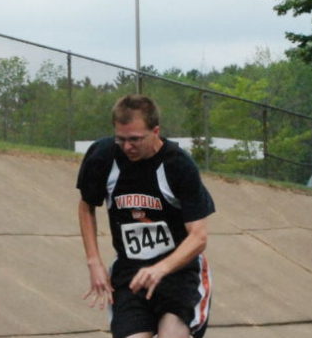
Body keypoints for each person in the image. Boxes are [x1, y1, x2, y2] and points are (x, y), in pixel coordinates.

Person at [76, 94, 216, 338]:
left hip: (179, 273)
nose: (127, 147)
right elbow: (87, 206)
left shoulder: (178, 165)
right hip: (131, 272)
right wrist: (94, 261)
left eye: (135, 139)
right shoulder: (103, 157)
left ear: (155, 131)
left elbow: (199, 237)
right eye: (121, 139)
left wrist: (161, 269)